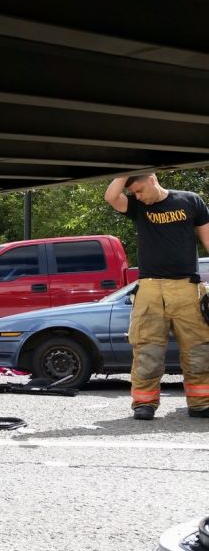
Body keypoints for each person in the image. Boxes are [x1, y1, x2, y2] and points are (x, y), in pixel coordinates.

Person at [105, 173, 209, 420]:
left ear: (152, 179)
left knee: (198, 349)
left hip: (186, 287)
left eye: (139, 190)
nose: (137, 196)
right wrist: (126, 170)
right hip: (150, 290)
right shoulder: (138, 207)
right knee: (147, 350)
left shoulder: (190, 201)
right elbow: (111, 196)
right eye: (134, 194)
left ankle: (201, 402)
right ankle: (144, 403)